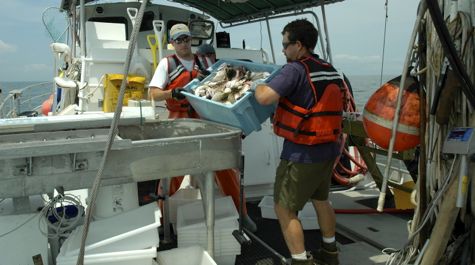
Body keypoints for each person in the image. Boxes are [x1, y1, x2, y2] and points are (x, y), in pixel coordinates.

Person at [148, 23, 256, 232]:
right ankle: (161, 220)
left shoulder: (204, 61)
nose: (183, 43)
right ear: (172, 43)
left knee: (226, 168)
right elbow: (152, 94)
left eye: (186, 39)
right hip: (179, 123)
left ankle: (242, 215)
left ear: (191, 40)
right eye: (178, 40)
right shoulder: (166, 64)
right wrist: (173, 93)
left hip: (208, 121)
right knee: (171, 172)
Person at [254, 19, 342, 265]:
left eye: (285, 45)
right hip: (327, 151)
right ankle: (330, 253)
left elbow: (264, 98)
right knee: (321, 200)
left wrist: (256, 84)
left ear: (299, 45)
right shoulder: (329, 68)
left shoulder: (294, 69)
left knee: (284, 209)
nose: (283, 50)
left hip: (301, 155)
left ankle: (301, 261)